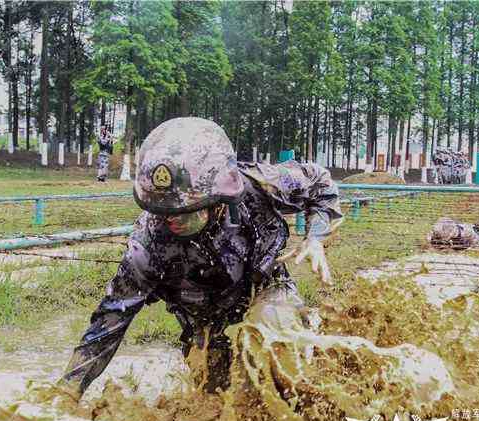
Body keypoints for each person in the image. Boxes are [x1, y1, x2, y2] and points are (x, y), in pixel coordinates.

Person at [58, 117, 343, 399]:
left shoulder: (257, 186)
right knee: (215, 400)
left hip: (265, 287)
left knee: (273, 350)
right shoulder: (146, 246)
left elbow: (320, 182)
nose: (169, 219)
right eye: (161, 211)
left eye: (183, 211)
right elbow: (109, 323)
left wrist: (316, 238)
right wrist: (66, 394)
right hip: (202, 320)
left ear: (217, 199)